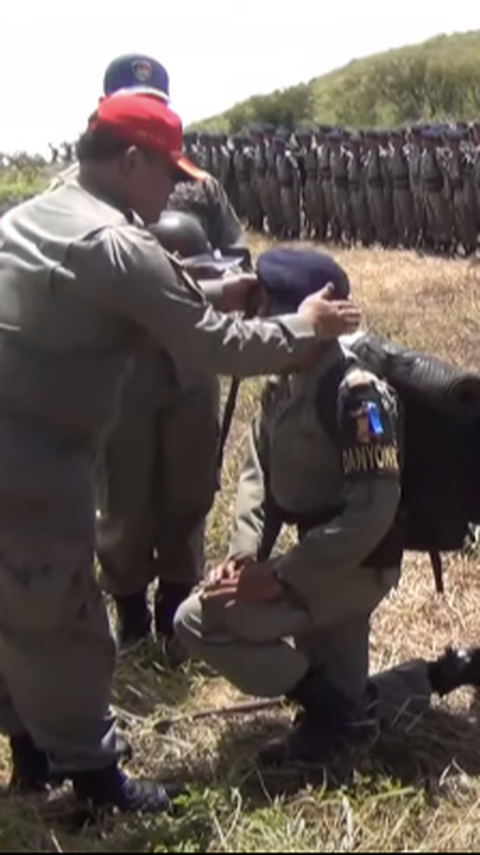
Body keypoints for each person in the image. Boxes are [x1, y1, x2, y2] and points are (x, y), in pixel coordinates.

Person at [0, 93, 360, 813]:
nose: (172, 189)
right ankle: (96, 782)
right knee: (64, 617)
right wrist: (303, 323)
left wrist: (221, 288)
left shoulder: (34, 217)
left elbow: (135, 287)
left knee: (11, 609)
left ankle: (31, 754)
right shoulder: (116, 242)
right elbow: (213, 346)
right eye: (167, 173)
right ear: (130, 160)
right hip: (36, 465)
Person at [175, 248, 480, 766]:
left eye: (272, 313)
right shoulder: (283, 382)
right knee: (350, 694)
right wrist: (244, 555)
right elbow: (256, 475)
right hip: (317, 560)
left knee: (200, 621)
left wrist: (281, 577)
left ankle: (327, 718)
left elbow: (371, 512)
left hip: (352, 565)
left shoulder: (359, 396)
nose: (262, 326)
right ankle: (451, 669)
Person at [94, 54, 247, 650]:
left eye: (155, 109)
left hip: (190, 358)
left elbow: (238, 253)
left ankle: (176, 612)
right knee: (126, 489)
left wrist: (218, 276)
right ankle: (130, 612)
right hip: (123, 366)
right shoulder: (96, 193)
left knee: (189, 486)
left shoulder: (200, 185)